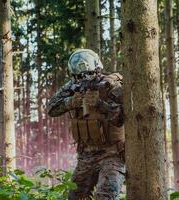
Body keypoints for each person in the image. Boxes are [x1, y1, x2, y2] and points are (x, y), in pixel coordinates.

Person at [47, 49, 125, 200]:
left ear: (97, 68)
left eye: (89, 73)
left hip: (113, 155)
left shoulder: (111, 85)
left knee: (105, 196)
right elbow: (51, 108)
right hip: (86, 156)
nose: (85, 78)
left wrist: (100, 105)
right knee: (75, 197)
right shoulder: (73, 86)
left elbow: (122, 118)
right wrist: (70, 102)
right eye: (80, 76)